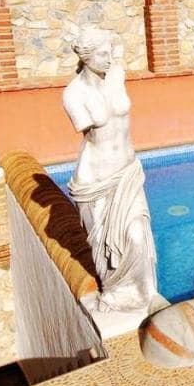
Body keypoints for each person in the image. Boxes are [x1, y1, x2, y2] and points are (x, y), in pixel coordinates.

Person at [62, 28, 164, 313]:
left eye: (110, 52)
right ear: (85, 56)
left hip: (127, 172)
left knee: (137, 234)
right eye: (101, 54)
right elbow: (87, 128)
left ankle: (146, 292)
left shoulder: (117, 75)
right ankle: (117, 292)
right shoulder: (73, 94)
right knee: (106, 247)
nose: (109, 59)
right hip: (97, 179)